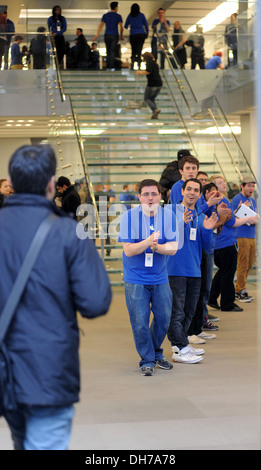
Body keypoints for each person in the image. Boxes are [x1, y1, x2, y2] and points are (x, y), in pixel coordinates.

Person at [0, 144, 111, 450]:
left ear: (12, 180)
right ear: (52, 184)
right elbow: (95, 302)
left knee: (19, 438)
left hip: (3, 365)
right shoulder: (69, 233)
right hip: (49, 369)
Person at [118, 178, 177, 376]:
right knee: (140, 322)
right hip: (136, 279)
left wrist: (158, 247)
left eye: (154, 194)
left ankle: (155, 352)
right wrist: (148, 242)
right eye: (146, 194)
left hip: (160, 278)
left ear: (160, 196)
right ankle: (148, 359)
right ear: (139, 197)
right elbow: (128, 250)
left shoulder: (168, 216)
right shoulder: (128, 217)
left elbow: (173, 248)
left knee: (164, 318)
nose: (150, 198)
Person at [167, 178, 218, 363]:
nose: (192, 192)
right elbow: (167, 235)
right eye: (189, 189)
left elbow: (207, 246)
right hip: (176, 270)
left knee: (189, 312)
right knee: (177, 312)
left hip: (195, 271)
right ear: (182, 191)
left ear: (199, 194)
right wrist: (180, 222)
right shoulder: (171, 211)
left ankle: (180, 344)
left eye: (196, 190)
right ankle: (180, 347)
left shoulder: (202, 216)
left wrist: (208, 230)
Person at [208, 175, 258, 312]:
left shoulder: (221, 200)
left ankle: (212, 298)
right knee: (228, 274)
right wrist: (249, 217)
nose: (223, 184)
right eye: (219, 183)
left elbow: (229, 217)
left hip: (222, 242)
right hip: (225, 242)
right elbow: (232, 222)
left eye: (223, 181)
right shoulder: (221, 199)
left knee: (224, 272)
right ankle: (227, 303)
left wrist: (238, 211)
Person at [231, 176, 258, 302]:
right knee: (243, 263)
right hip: (241, 234)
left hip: (252, 234)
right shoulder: (237, 199)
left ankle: (241, 287)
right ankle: (240, 289)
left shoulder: (253, 200)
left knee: (249, 264)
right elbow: (233, 216)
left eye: (253, 186)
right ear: (242, 186)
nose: (251, 188)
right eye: (249, 185)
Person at [92, 2, 123, 70]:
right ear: (116, 7)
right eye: (117, 6)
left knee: (108, 51)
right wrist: (121, 36)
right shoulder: (118, 16)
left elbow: (101, 25)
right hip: (114, 35)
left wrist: (96, 35)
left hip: (107, 35)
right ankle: (110, 67)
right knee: (112, 51)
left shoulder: (105, 15)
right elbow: (121, 27)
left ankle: (108, 66)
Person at [136, 52, 162, 120]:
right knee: (152, 99)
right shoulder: (155, 63)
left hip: (152, 84)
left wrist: (140, 72)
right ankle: (155, 115)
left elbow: (148, 71)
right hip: (159, 84)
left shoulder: (149, 62)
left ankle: (155, 109)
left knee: (146, 98)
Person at [124, 3, 148, 70]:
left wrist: (131, 26)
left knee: (133, 50)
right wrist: (147, 33)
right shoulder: (142, 15)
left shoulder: (130, 16)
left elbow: (125, 26)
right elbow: (146, 26)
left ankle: (132, 65)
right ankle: (139, 65)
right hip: (141, 34)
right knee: (139, 50)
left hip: (133, 35)